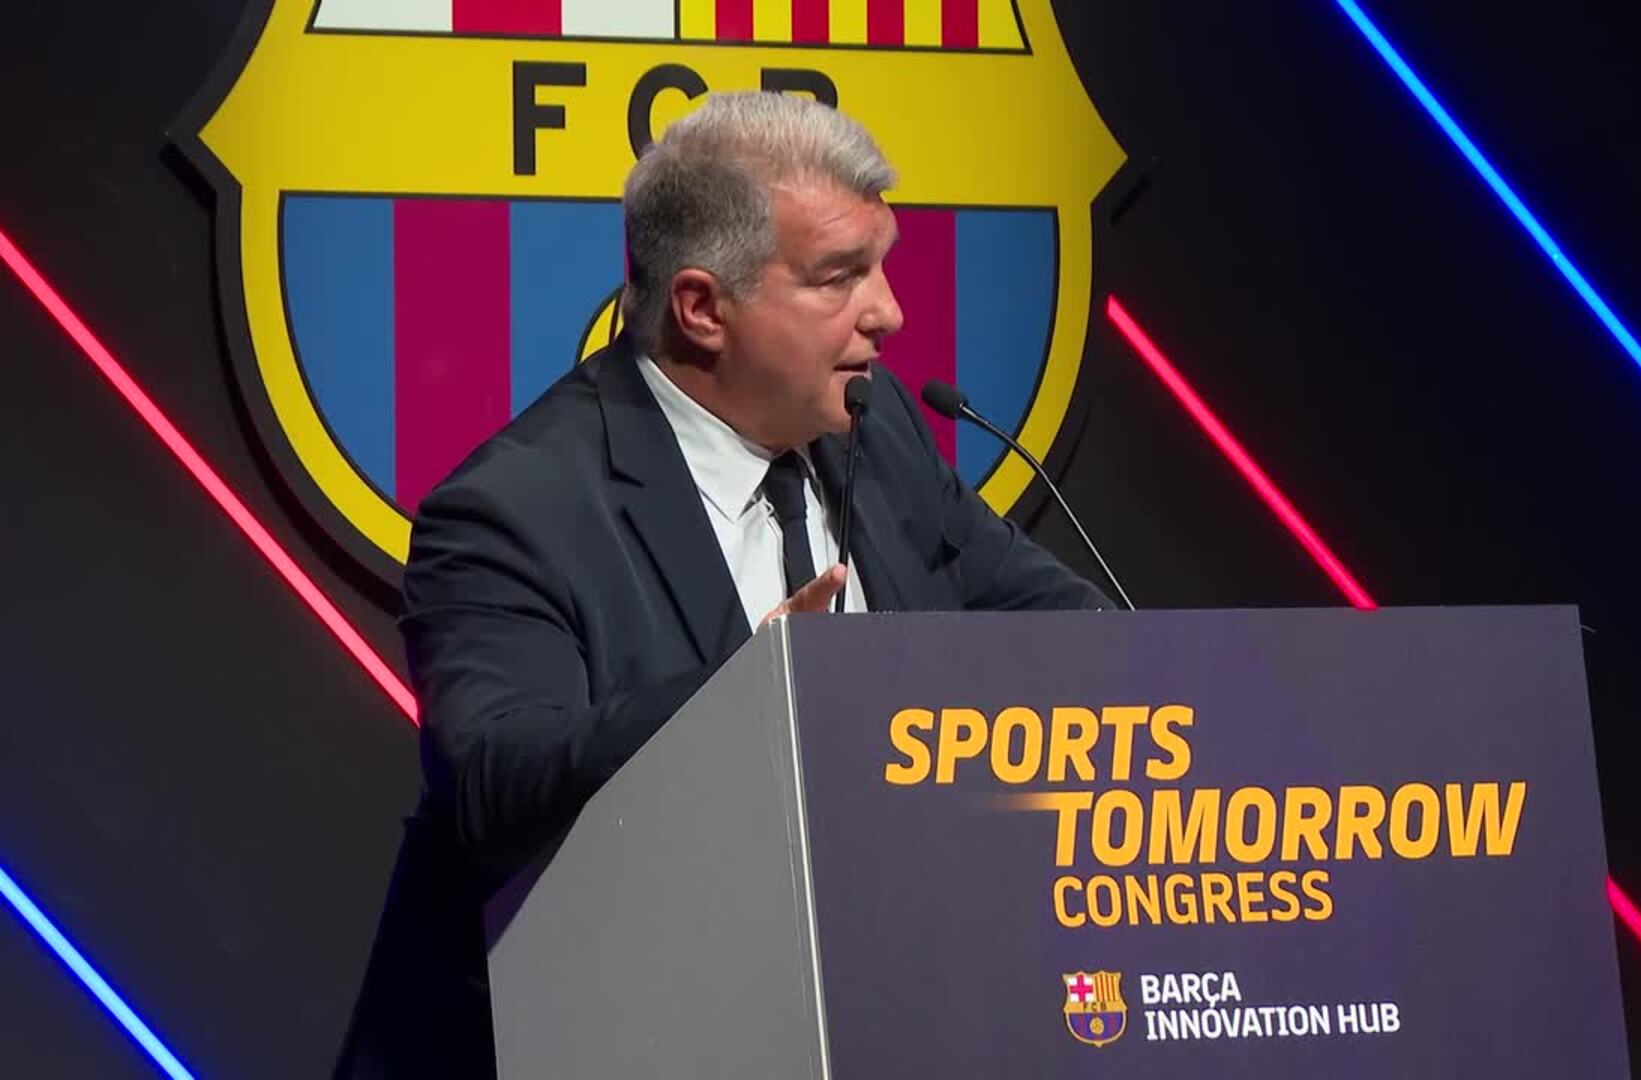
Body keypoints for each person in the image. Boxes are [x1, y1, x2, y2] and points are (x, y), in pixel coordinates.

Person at [333, 91, 1107, 1077]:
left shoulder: (877, 432)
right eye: (840, 277)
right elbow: (497, 784)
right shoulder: (512, 511)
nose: (889, 312)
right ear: (703, 309)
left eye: (881, 265)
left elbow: (1063, 625)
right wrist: (752, 696)